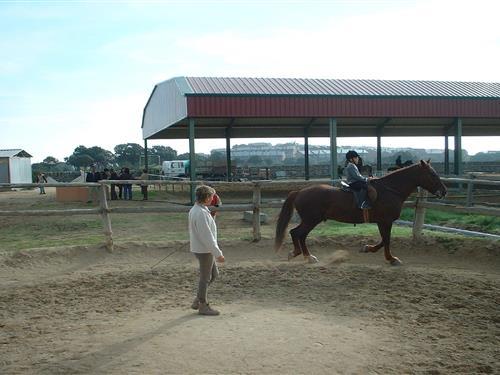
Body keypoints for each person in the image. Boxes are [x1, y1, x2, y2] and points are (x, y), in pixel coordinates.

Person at [189, 185, 225, 316]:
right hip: (204, 250)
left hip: (203, 248)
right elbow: (207, 236)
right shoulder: (200, 213)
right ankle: (203, 305)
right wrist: (218, 253)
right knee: (205, 277)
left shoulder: (200, 210)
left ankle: (198, 300)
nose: (213, 199)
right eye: (211, 196)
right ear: (206, 197)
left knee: (214, 275)